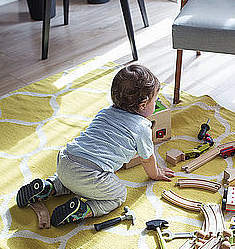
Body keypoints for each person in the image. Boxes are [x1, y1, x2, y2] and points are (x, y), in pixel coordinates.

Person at [16, 64, 175, 226]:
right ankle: (84, 209)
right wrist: (155, 174)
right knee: (119, 194)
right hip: (90, 173)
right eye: (155, 100)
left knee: (71, 180)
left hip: (65, 160)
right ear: (143, 105)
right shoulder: (142, 128)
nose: (156, 104)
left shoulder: (104, 112)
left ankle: (48, 187)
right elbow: (147, 159)